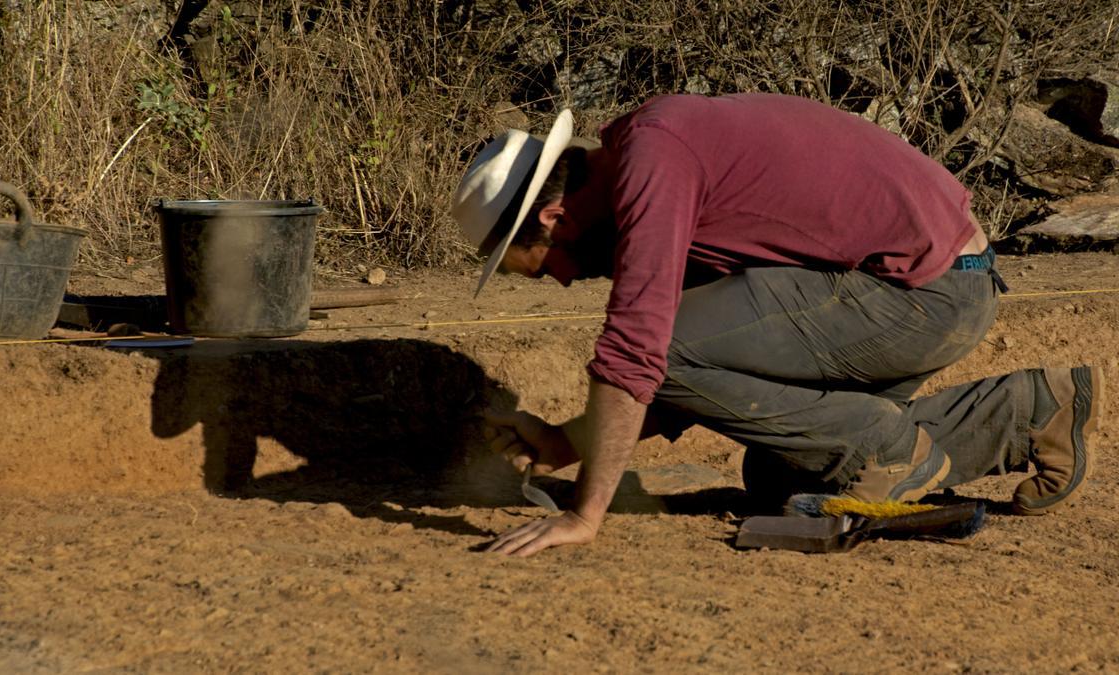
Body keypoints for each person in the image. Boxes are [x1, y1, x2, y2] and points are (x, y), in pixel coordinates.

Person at [451, 93, 1105, 557]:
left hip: (923, 293)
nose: (562, 278)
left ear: (552, 218)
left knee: (664, 343)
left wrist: (583, 514)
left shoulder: (652, 161)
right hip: (938, 281)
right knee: (778, 475)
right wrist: (564, 443)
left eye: (541, 266)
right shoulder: (648, 155)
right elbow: (697, 367)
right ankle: (1030, 412)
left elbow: (647, 353)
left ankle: (882, 448)